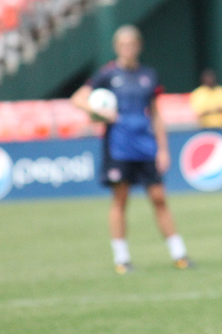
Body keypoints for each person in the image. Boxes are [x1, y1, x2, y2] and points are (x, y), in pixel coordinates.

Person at [71, 24, 191, 273]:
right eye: (123, 44)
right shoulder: (107, 75)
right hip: (119, 147)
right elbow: (78, 98)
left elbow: (156, 115)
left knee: (159, 198)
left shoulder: (148, 75)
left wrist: (163, 149)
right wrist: (99, 111)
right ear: (116, 48)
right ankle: (121, 259)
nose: (128, 48)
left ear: (138, 46)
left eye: (131, 44)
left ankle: (179, 254)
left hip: (146, 146)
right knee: (120, 200)